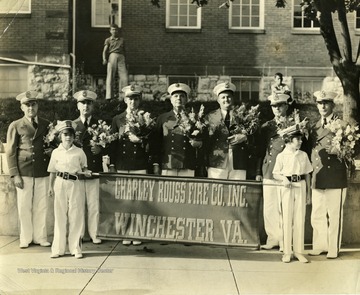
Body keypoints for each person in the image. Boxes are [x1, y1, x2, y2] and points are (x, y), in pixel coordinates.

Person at [6, 90, 51, 249]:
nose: (30, 107)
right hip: (24, 170)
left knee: (41, 205)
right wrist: (14, 174)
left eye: (33, 104)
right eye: (27, 105)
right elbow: (11, 151)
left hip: (42, 169)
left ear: (37, 106)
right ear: (22, 108)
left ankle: (40, 237)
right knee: (24, 206)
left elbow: (51, 144)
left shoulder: (46, 124)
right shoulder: (16, 125)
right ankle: (25, 238)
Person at [308, 90, 347, 259]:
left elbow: (354, 149)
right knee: (317, 213)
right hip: (318, 174)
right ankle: (320, 245)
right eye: (319, 103)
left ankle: (333, 248)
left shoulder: (342, 125)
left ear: (333, 105)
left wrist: (341, 150)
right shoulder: (314, 127)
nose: (322, 106)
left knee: (334, 214)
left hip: (335, 176)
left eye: (326, 102)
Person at [110, 84, 150, 246]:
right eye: (129, 98)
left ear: (139, 100)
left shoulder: (146, 117)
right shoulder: (117, 119)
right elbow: (113, 144)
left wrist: (141, 140)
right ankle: (124, 232)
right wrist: (112, 164)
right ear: (125, 100)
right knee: (124, 200)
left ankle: (137, 232)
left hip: (139, 163)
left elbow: (151, 142)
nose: (132, 101)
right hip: (123, 163)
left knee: (139, 200)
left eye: (135, 98)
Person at [48, 120, 92, 259]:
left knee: (76, 215)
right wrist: (50, 187)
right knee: (60, 215)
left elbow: (84, 168)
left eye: (71, 134)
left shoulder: (79, 152)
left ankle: (75, 248)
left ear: (74, 137)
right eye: (65, 134)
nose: (68, 137)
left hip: (75, 184)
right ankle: (58, 249)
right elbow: (52, 171)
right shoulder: (55, 152)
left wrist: (86, 171)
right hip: (60, 183)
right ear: (60, 136)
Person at [256, 93, 293, 251]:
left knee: (286, 206)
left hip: (286, 171)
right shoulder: (266, 126)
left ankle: (285, 240)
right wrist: (258, 170)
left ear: (286, 106)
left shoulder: (294, 124)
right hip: (269, 170)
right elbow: (259, 150)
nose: (277, 109)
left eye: (280, 105)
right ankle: (272, 238)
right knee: (270, 206)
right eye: (274, 106)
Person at [273, 125, 313, 263]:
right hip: (286, 188)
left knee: (299, 218)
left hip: (300, 186)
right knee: (287, 219)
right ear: (289, 140)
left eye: (301, 139)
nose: (300, 141)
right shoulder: (281, 156)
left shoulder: (303, 155)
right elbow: (275, 173)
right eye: (297, 139)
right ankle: (287, 252)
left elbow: (307, 174)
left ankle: (299, 251)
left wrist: (308, 193)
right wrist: (283, 179)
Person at [73, 90, 103, 244]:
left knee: (93, 204)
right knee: (78, 205)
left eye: (89, 103)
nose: (86, 106)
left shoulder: (100, 124)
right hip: (77, 171)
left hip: (94, 168)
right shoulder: (73, 125)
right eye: (82, 103)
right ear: (78, 105)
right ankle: (79, 233)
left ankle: (94, 234)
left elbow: (109, 145)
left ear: (93, 105)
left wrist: (100, 149)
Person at [151, 83, 200, 177]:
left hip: (187, 164)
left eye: (182, 96)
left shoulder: (194, 118)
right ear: (171, 99)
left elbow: (200, 140)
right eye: (176, 96)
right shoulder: (163, 118)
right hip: (168, 163)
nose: (179, 98)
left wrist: (198, 143)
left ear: (186, 99)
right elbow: (156, 143)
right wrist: (156, 163)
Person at [205, 81, 249, 180]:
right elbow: (205, 140)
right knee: (216, 191)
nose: (226, 100)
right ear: (218, 100)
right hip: (217, 161)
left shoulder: (243, 115)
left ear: (233, 98)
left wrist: (245, 137)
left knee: (237, 191)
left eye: (229, 97)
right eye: (223, 97)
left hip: (238, 160)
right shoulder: (210, 116)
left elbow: (256, 135)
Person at [103, 24, 128, 100]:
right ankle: (109, 96)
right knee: (110, 75)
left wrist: (125, 60)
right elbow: (104, 51)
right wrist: (104, 59)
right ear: (110, 31)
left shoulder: (122, 40)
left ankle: (125, 96)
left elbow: (125, 51)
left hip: (121, 57)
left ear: (118, 31)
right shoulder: (108, 40)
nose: (114, 31)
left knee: (124, 76)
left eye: (116, 29)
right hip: (112, 56)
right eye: (113, 29)